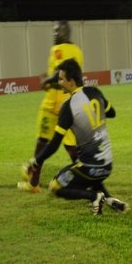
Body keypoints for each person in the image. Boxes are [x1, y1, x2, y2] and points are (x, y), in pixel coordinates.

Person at [21, 59, 129, 215]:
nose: (59, 82)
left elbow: (54, 144)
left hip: (90, 168)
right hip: (107, 166)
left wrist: (36, 161)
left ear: (71, 82)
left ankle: (94, 196)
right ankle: (111, 200)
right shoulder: (95, 91)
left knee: (56, 186)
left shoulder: (68, 106)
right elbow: (112, 113)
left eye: (61, 79)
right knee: (85, 173)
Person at [19, 20, 83, 192]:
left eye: (58, 30)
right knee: (68, 147)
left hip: (55, 105)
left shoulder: (59, 50)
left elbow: (59, 74)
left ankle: (35, 181)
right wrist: (49, 80)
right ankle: (34, 181)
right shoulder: (77, 50)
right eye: (54, 31)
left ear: (66, 32)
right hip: (70, 102)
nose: (55, 34)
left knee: (45, 142)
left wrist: (46, 81)